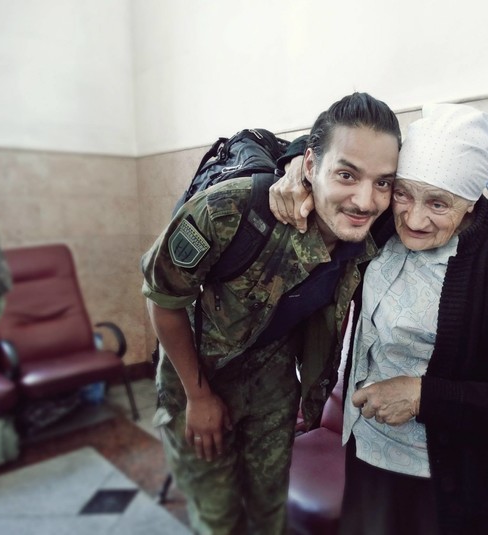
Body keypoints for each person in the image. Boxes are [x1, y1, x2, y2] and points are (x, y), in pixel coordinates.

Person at [271, 103, 488, 534]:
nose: (413, 218)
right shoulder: (381, 221)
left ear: (470, 202)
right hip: (366, 451)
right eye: (403, 193)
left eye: (438, 204)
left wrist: (423, 396)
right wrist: (296, 165)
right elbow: (331, 146)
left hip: (448, 487)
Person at [141, 92, 401, 535]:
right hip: (197, 372)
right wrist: (198, 398)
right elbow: (164, 300)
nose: (365, 201)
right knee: (219, 519)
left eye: (383, 183)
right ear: (311, 166)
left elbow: (455, 197)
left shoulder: (375, 230)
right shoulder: (232, 208)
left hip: (272, 379)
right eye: (346, 175)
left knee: (269, 514)